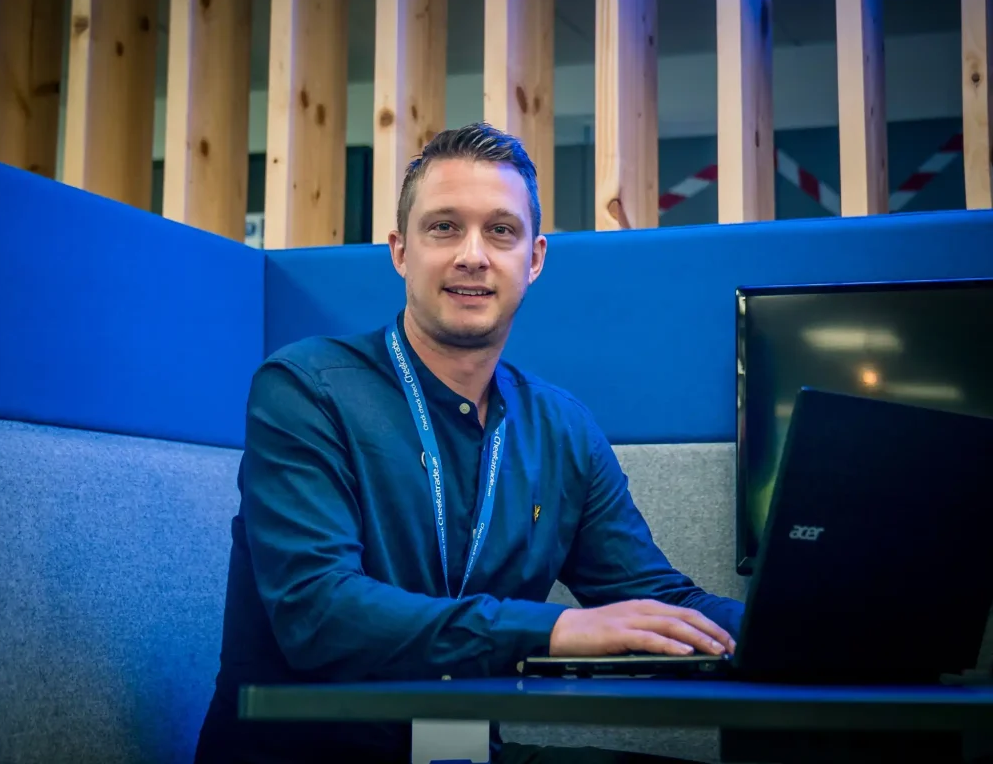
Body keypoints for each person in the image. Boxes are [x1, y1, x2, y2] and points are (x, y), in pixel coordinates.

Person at [194, 122, 744, 764]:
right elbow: (319, 613)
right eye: (444, 227)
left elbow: (655, 603)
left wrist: (816, 633)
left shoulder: (561, 430)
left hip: (461, 754)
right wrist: (559, 629)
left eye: (501, 231)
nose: (473, 255)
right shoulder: (306, 390)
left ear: (534, 259)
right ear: (401, 251)